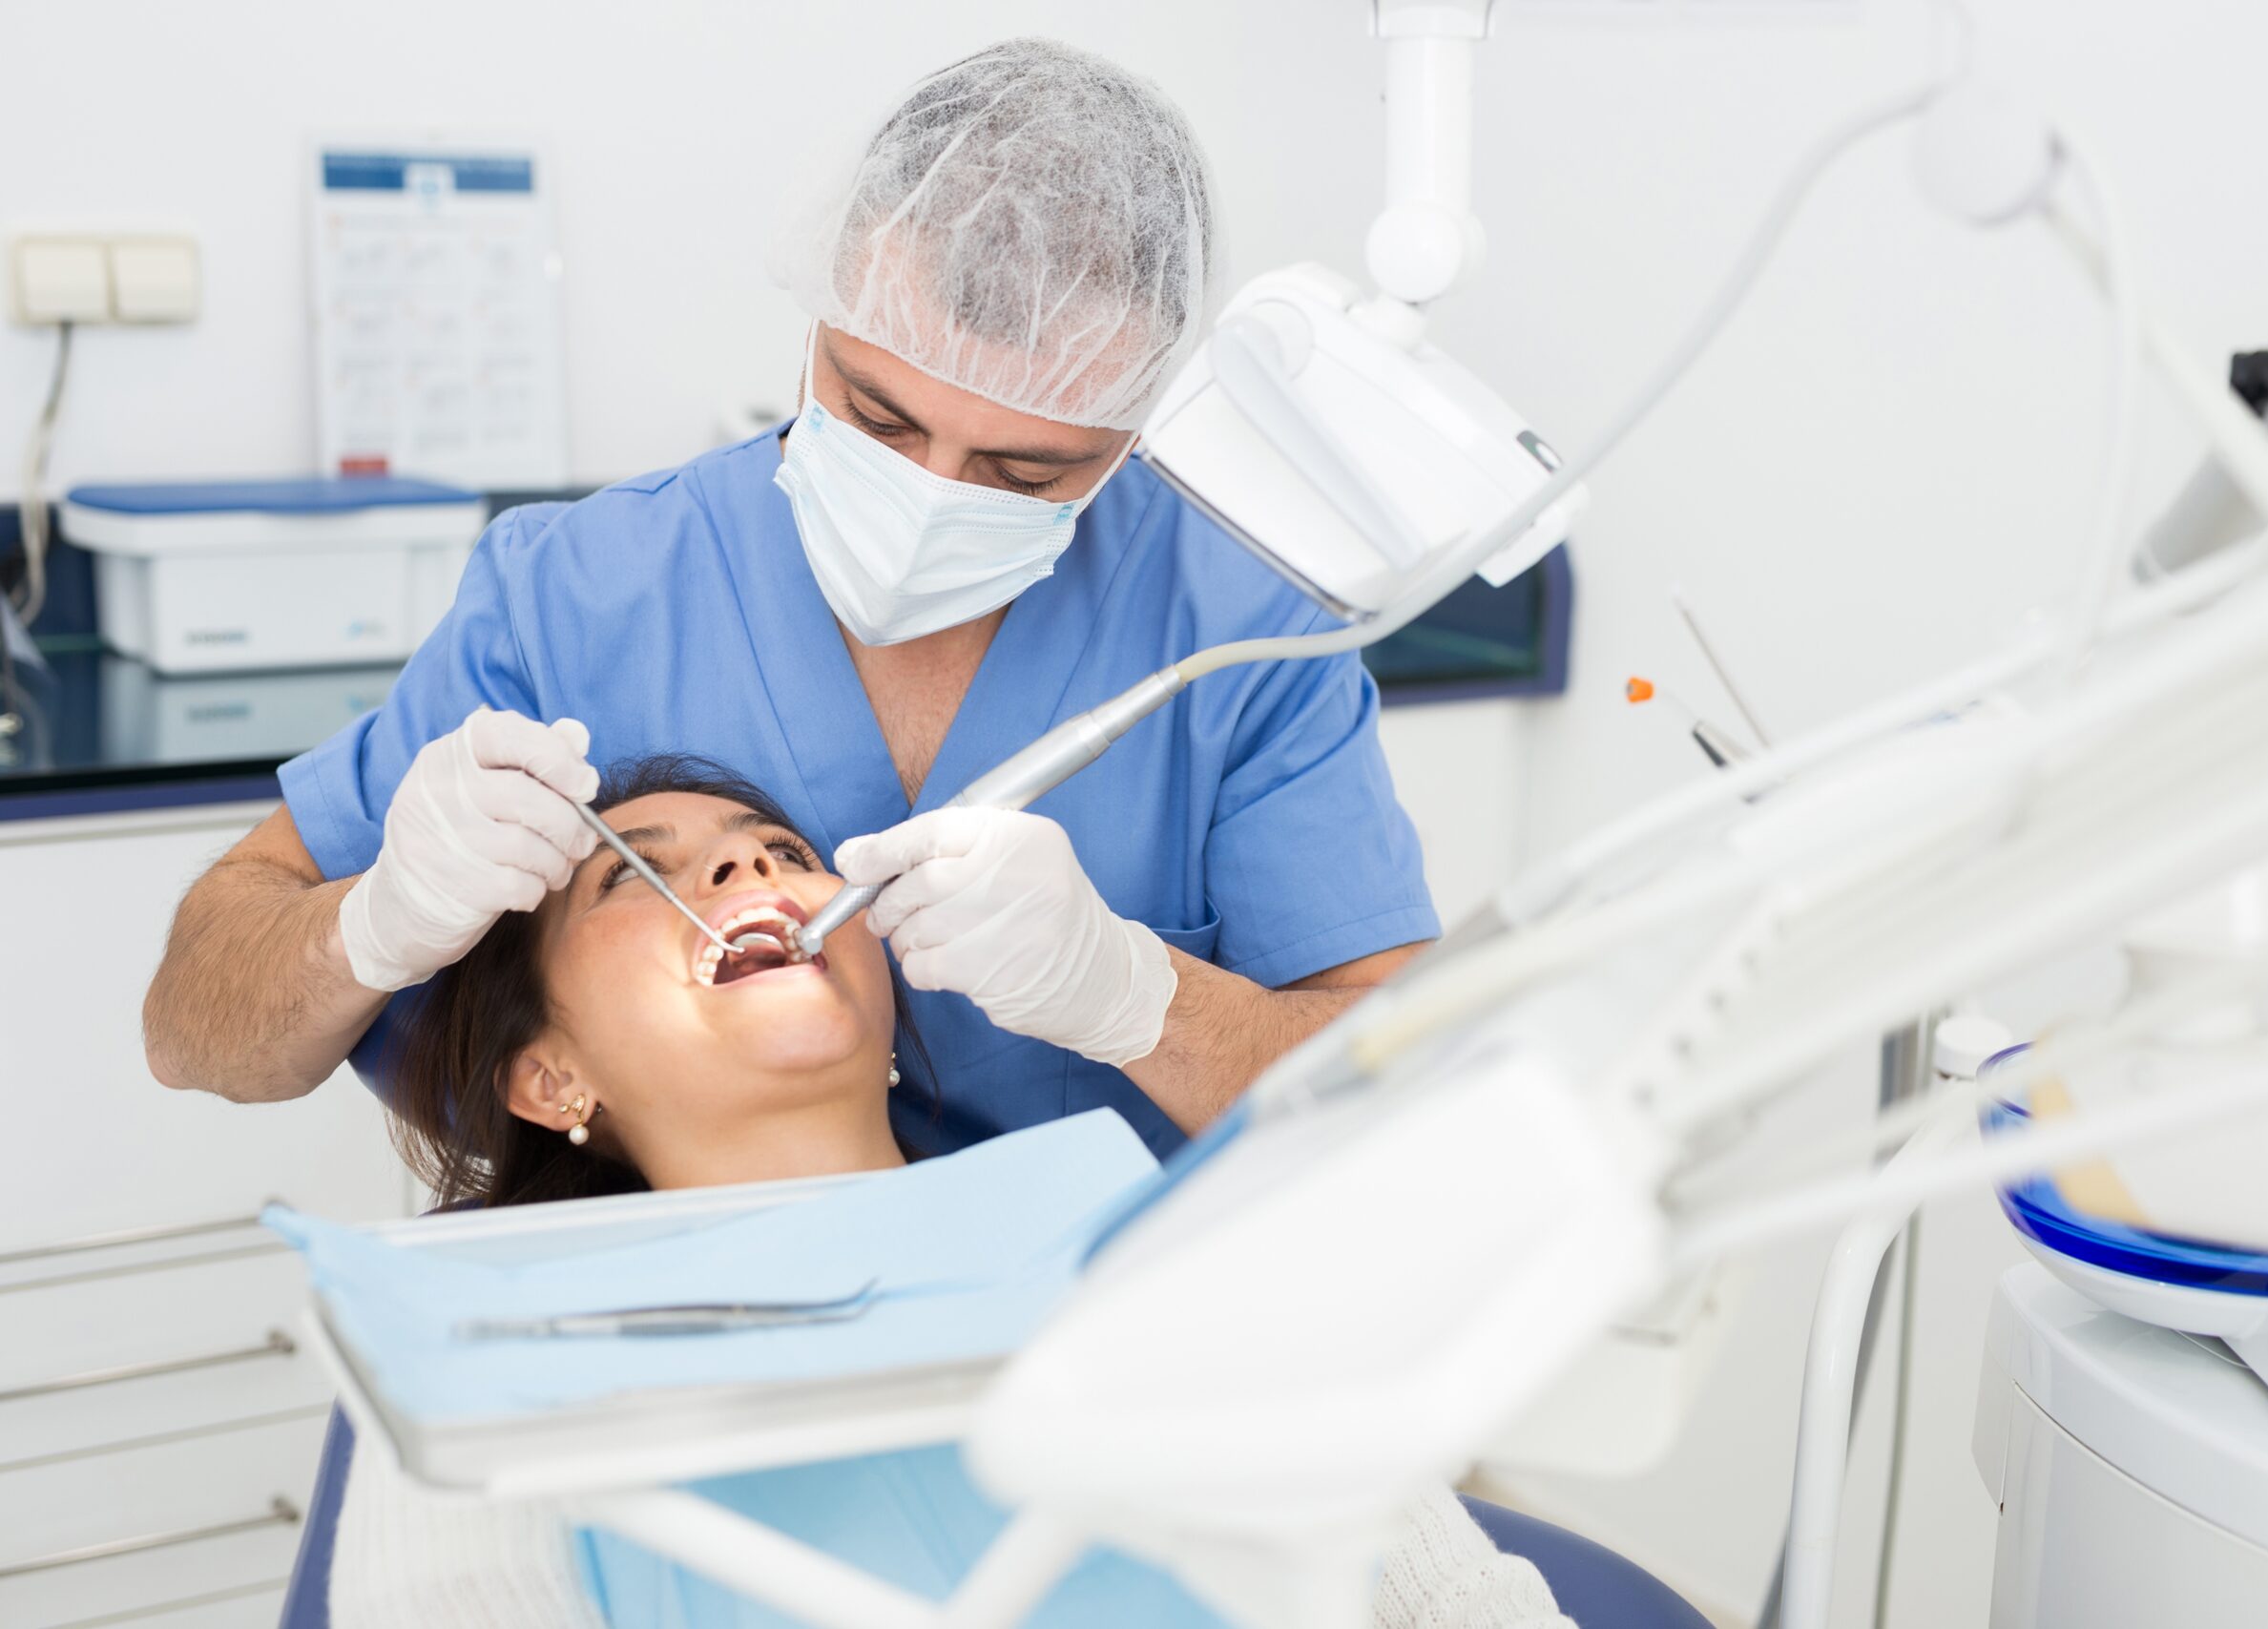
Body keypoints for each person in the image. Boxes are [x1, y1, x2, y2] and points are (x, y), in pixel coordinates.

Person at [144, 37, 1438, 1159]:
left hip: (1103, 1342)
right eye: (876, 413)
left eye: (1025, 469)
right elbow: (196, 1031)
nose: (932, 491)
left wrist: (1142, 997)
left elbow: (1406, 1108)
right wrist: (370, 927)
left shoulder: (1240, 635)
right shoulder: (581, 596)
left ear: (1141, 418)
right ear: (826, 301)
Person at [322, 755, 1569, 1629]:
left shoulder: (1125, 1235)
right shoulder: (476, 1331)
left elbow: (1440, 1591)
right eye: (636, 877)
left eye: (784, 854)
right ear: (551, 1076)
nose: (747, 866)